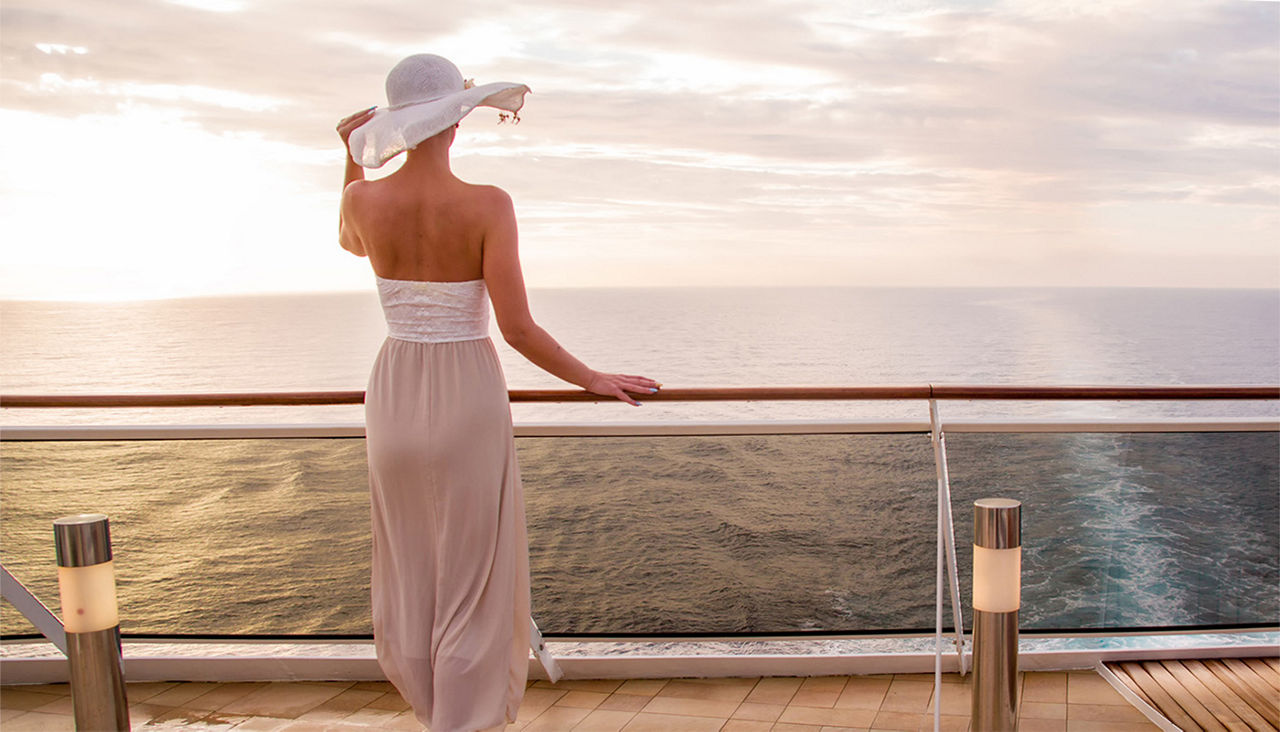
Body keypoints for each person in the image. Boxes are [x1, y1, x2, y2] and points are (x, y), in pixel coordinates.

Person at [335, 54, 660, 732]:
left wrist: (352, 160)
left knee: (410, 563)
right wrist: (592, 378)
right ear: (455, 120)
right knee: (473, 578)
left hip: (394, 391)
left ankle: (432, 710)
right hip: (467, 390)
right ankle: (465, 720)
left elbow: (349, 242)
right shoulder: (487, 204)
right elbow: (517, 328)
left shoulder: (364, 200)